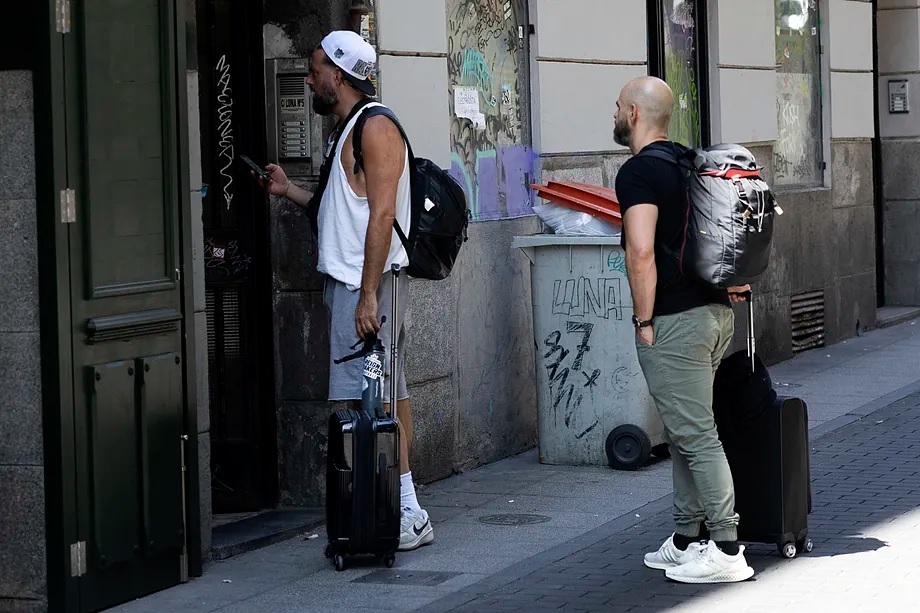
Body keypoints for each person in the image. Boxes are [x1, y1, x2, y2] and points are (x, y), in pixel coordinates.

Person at [258, 30, 433, 552]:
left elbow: (382, 215)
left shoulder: (375, 128)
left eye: (314, 70)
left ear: (338, 74)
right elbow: (342, 212)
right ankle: (384, 508)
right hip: (354, 284)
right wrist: (286, 190)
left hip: (370, 286)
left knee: (377, 398)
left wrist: (368, 295)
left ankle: (404, 510)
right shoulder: (348, 128)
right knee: (377, 394)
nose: (308, 79)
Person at [612, 76, 753, 584]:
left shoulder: (637, 173)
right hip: (716, 315)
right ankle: (687, 537)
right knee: (684, 428)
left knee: (695, 433)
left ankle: (727, 547)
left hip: (676, 320)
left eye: (616, 107)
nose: (615, 114)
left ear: (632, 112)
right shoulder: (690, 162)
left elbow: (641, 250)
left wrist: (644, 320)